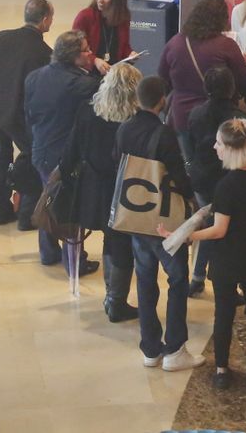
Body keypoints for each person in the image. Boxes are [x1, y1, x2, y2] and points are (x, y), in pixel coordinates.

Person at [165, 118, 246, 391]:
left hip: (228, 258)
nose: (215, 147)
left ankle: (222, 370)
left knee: (224, 314)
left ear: (230, 148)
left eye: (218, 143)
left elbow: (219, 231)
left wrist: (186, 236)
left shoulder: (228, 185)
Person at [117, 74, 203, 371]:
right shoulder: (164, 134)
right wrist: (193, 201)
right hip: (164, 220)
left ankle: (150, 348)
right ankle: (175, 348)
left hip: (135, 216)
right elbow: (179, 177)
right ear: (162, 100)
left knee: (144, 279)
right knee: (177, 279)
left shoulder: (124, 129)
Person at [59, 62, 142, 323]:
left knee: (109, 239)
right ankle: (115, 300)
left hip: (94, 188)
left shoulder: (88, 112)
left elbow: (70, 152)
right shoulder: (136, 120)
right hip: (127, 189)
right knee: (122, 244)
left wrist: (68, 180)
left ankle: (111, 296)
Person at [0, 0, 54, 227]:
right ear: (45, 20)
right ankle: (27, 213)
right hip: (17, 115)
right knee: (31, 154)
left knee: (0, 153)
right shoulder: (44, 53)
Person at [24, 30, 104, 269]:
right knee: (70, 208)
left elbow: (28, 114)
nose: (91, 54)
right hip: (65, 157)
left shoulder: (34, 77)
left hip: (40, 150)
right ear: (74, 56)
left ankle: (48, 253)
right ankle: (74, 263)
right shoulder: (81, 85)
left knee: (48, 198)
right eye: (87, 50)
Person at [181, 66, 246, 296]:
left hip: (203, 180)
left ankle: (198, 276)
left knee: (210, 227)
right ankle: (230, 283)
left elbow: (189, 147)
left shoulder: (195, 114)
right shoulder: (240, 119)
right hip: (232, 181)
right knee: (230, 233)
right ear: (231, 89)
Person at [159, 0, 246, 132]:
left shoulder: (175, 43)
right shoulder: (226, 45)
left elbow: (162, 78)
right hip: (217, 120)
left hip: (181, 117)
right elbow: (243, 82)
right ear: (221, 20)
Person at [73, 0, 133, 65]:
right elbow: (74, 49)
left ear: (116, 0)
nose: (99, 0)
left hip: (114, 70)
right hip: (89, 71)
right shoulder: (84, 17)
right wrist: (95, 60)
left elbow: (124, 47)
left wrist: (130, 54)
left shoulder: (123, 17)